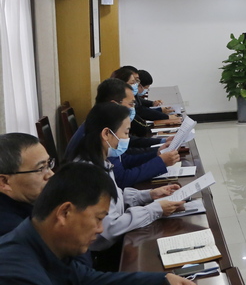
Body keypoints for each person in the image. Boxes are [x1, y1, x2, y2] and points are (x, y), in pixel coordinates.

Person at [0, 162, 198, 285]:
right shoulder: (16, 276)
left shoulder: (42, 242)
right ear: (65, 213)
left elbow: (90, 282)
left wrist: (161, 280)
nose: (100, 229)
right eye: (98, 218)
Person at [64, 103, 186, 260]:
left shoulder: (101, 161)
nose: (127, 139)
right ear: (106, 134)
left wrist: (149, 195)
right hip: (103, 255)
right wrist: (155, 209)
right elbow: (110, 227)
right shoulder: (88, 173)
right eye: (126, 133)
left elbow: (115, 197)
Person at [65, 79, 179, 187]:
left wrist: (157, 153)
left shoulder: (102, 123)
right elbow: (121, 178)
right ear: (115, 104)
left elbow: (123, 160)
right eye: (131, 104)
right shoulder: (99, 136)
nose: (134, 108)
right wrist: (160, 162)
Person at [0, 133, 54, 236]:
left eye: (48, 164)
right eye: (41, 168)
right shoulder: (13, 231)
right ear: (4, 181)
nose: (51, 174)